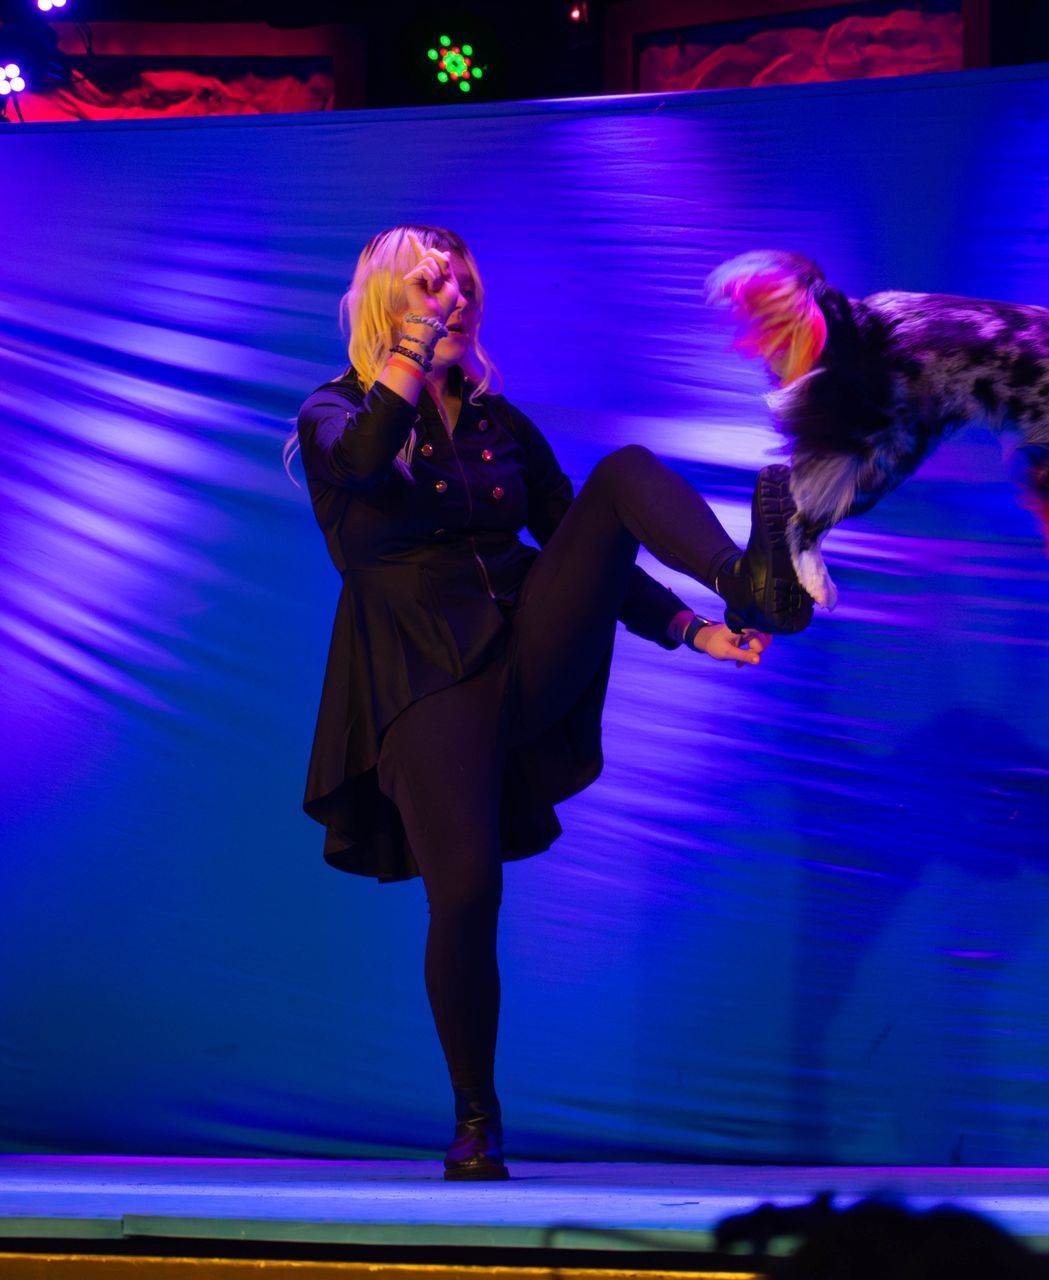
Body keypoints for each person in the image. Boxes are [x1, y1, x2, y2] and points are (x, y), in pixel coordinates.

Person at [282, 225, 811, 1181]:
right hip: (423, 683)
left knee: (620, 478)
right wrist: (410, 344)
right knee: (470, 892)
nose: (458, 300)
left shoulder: (500, 423)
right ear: (386, 302)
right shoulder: (335, 412)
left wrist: (695, 629)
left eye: (465, 286)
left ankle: (749, 580)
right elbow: (364, 468)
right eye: (433, 285)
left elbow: (582, 547)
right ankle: (476, 1119)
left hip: (524, 655)